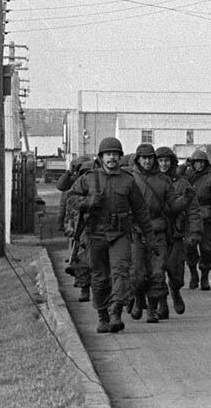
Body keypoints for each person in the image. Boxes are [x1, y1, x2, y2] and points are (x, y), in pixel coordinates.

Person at [66, 137, 154, 334]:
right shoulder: (89, 178)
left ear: (120, 157)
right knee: (99, 277)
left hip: (120, 234)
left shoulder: (128, 181)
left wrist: (150, 237)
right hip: (95, 234)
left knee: (122, 272)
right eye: (108, 154)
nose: (112, 158)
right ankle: (103, 316)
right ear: (101, 157)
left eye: (115, 154)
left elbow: (141, 211)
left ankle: (116, 311)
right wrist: (88, 202)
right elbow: (70, 198)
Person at [128, 143, 183, 324]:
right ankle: (138, 299)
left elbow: (173, 205)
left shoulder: (163, 180)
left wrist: (185, 200)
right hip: (136, 231)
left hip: (157, 231)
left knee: (157, 272)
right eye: (143, 158)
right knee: (137, 272)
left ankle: (151, 309)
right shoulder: (130, 179)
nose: (147, 161)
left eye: (150, 158)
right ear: (138, 159)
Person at [157, 146, 198, 317]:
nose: (164, 164)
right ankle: (161, 303)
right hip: (157, 233)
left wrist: (194, 232)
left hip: (176, 233)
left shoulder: (182, 183)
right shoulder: (151, 181)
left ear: (173, 162)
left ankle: (175, 291)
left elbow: (193, 210)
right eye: (160, 161)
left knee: (176, 273)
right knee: (157, 272)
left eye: (167, 161)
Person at [58, 155, 95, 302]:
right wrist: (67, 224)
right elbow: (68, 208)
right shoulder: (75, 188)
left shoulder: (97, 187)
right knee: (81, 262)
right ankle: (84, 289)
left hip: (97, 228)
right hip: (80, 230)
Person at [185, 150, 211, 291]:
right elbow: (175, 175)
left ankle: (205, 275)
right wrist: (185, 165)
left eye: (201, 162)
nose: (199, 165)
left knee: (206, 248)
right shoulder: (187, 176)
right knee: (189, 246)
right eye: (196, 162)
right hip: (189, 216)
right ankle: (193, 271)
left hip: (205, 216)